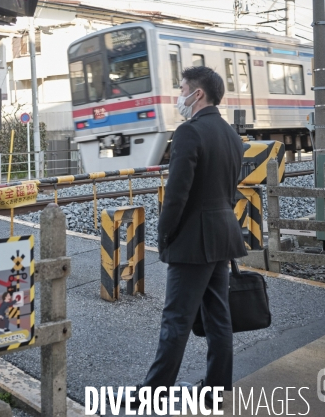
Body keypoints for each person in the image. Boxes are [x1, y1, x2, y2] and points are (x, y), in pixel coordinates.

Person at [117, 66, 247, 411]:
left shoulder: (190, 132)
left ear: (197, 94)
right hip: (223, 235)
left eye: (182, 89)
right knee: (219, 317)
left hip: (193, 242)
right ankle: (216, 389)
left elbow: (177, 194)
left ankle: (152, 395)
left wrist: (164, 233)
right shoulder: (231, 135)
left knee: (176, 319)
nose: (180, 96)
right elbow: (230, 189)